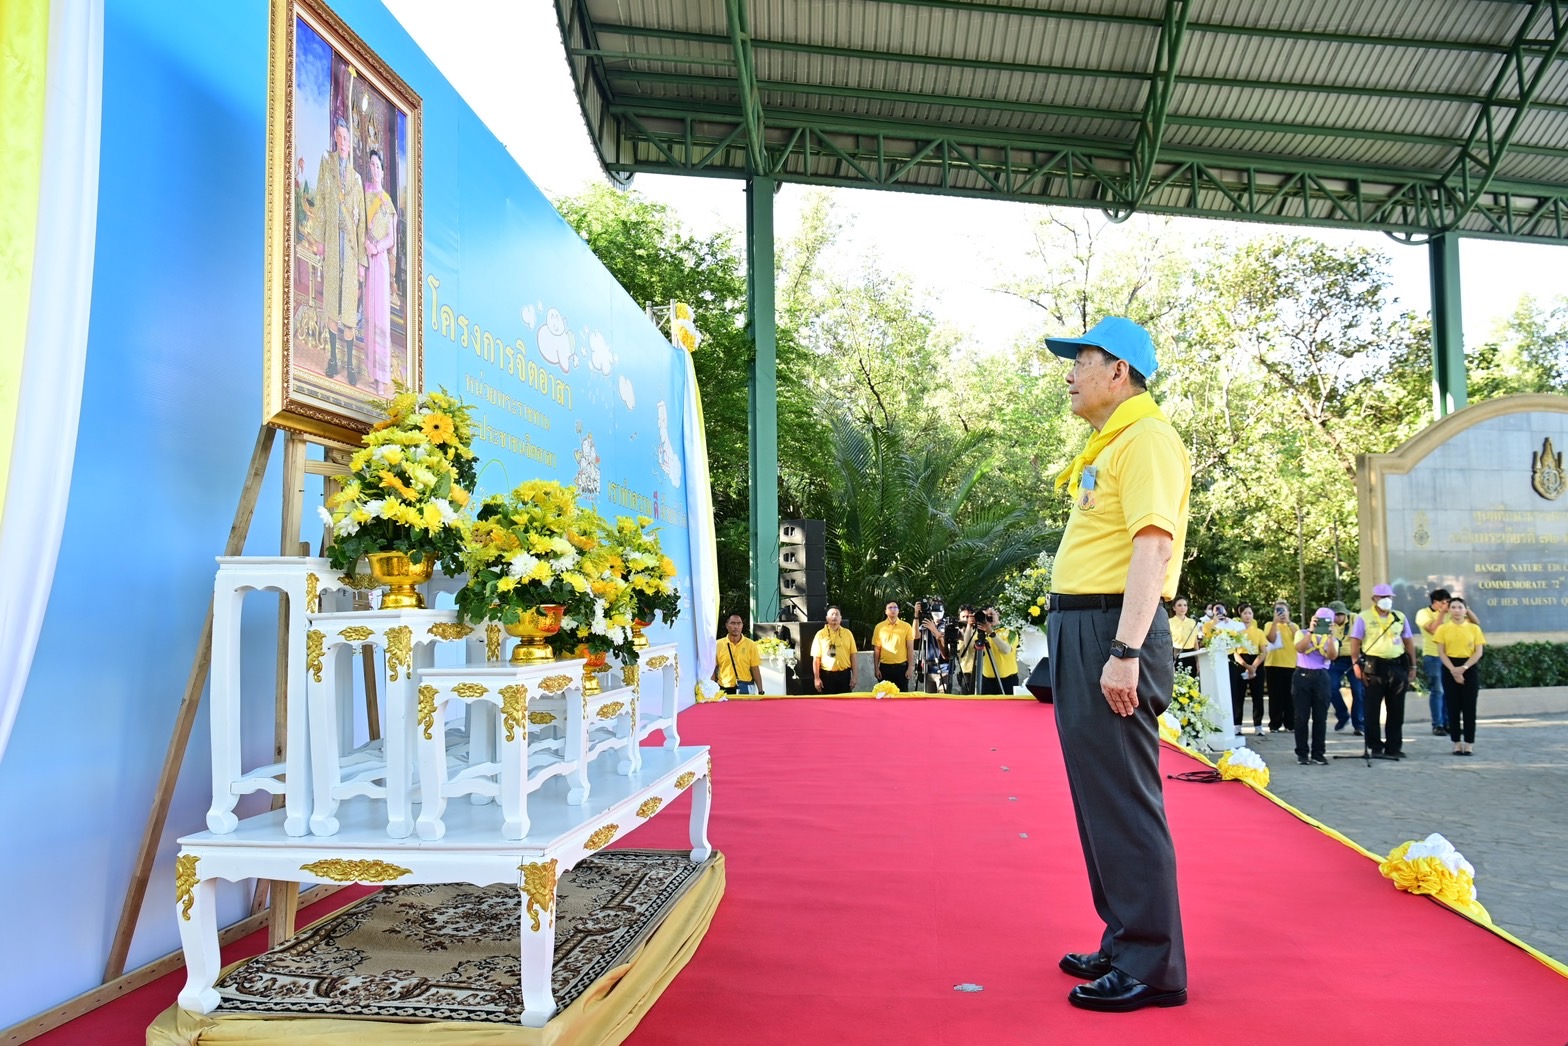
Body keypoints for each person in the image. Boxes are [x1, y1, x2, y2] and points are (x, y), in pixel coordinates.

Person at [1044, 316, 1190, 1012]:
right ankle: (1125, 937)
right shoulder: (1114, 443)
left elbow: (1153, 549)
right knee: (1098, 797)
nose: (1070, 375)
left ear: (1119, 372)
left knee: (1125, 799)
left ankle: (1153, 963)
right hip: (1086, 625)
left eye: (1081, 361)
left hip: (1113, 629)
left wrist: (1125, 651)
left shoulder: (1148, 440)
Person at [311, 115, 366, 385]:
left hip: (351, 249)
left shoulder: (356, 178)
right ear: (335, 137)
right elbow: (321, 200)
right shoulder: (327, 164)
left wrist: (361, 262)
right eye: (340, 137)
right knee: (332, 302)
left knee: (349, 311)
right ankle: (333, 358)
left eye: (347, 138)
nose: (343, 142)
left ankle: (349, 364)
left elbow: (361, 220)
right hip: (333, 242)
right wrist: (319, 238)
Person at [1345, 583, 1418, 760]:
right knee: (1372, 708)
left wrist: (1413, 665)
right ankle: (1375, 746)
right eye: (1381, 597)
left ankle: (1394, 747)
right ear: (1374, 599)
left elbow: (1408, 641)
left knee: (1396, 709)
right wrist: (1356, 665)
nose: (1386, 600)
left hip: (1397, 664)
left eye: (1388, 597)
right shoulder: (1364, 617)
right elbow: (1355, 642)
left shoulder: (1399, 616)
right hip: (1374, 665)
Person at [362, 148, 398, 395]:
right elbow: (359, 224)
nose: (375, 169)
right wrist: (366, 243)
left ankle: (382, 379)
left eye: (378, 166)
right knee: (370, 312)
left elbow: (392, 238)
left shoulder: (387, 202)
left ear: (383, 171)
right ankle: (371, 372)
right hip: (367, 258)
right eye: (372, 165)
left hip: (381, 260)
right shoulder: (364, 194)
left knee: (381, 316)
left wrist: (377, 247)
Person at [1434, 597, 1486, 756]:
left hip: (1469, 667)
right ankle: (1456, 743)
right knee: (1453, 707)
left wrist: (1463, 668)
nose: (1457, 611)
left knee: (1469, 707)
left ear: (1465, 610)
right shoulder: (1442, 629)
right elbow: (1441, 652)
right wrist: (1453, 671)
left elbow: (1478, 652)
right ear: (1448, 610)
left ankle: (1469, 743)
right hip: (1449, 667)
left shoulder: (1474, 628)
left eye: (1460, 607)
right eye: (1453, 607)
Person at [1293, 608, 1339, 765]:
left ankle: (1318, 753)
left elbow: (1332, 656)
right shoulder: (1302, 633)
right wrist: (1311, 632)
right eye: (1319, 620)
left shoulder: (1333, 639)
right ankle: (1302, 753)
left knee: (1320, 717)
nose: (1322, 624)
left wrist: (1330, 637)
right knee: (1301, 717)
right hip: (1302, 674)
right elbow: (1300, 648)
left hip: (1321, 676)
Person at [1327, 600, 1363, 733]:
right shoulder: (1327, 623)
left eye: (1339, 614)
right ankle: (1342, 716)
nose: (1336, 617)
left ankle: (1359, 724)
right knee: (1331, 687)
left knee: (1358, 691)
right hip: (1336, 659)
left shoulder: (1355, 619)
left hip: (1355, 658)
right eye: (1334, 615)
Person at [1263, 602, 1298, 734]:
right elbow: (1270, 639)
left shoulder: (1293, 626)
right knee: (1275, 696)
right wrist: (1275, 622)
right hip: (1273, 664)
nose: (1281, 613)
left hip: (1290, 664)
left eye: (1284, 611)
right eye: (1278, 611)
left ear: (1289, 612)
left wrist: (1288, 622)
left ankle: (1290, 723)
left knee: (1290, 696)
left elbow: (1299, 638)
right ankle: (1275, 724)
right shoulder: (1269, 624)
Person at [1232, 604, 1268, 735]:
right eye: (1245, 613)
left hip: (1256, 662)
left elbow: (1263, 651)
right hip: (1241, 662)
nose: (1248, 616)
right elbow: (1234, 652)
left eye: (1250, 613)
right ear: (1240, 615)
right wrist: (1246, 666)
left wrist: (1254, 667)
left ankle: (1258, 725)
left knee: (1257, 695)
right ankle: (1237, 725)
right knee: (1239, 695)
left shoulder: (1259, 632)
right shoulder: (1235, 632)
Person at [711, 613, 761, 695]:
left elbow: (755, 668)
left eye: (739, 623)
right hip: (724, 688)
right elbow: (712, 669)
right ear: (727, 626)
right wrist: (712, 690)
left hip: (745, 687)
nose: (736, 626)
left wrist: (760, 690)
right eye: (733, 623)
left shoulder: (750, 645)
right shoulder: (718, 644)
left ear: (742, 626)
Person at [811, 607, 857, 694]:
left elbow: (853, 655)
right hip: (827, 675)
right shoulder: (820, 634)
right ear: (827, 618)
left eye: (837, 614)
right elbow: (816, 658)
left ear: (840, 618)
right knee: (828, 701)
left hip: (844, 675)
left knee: (845, 701)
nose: (834, 617)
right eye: (832, 614)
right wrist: (816, 678)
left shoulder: (848, 633)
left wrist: (854, 676)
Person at [871, 601, 915, 691]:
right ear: (885, 611)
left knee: (902, 696)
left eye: (895, 607)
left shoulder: (906, 626)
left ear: (898, 611)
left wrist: (910, 668)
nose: (893, 610)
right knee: (884, 695)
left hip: (902, 668)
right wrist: (876, 668)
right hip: (885, 668)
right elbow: (877, 649)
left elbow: (910, 648)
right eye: (890, 608)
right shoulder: (879, 627)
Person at [977, 607, 1019, 694]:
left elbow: (1006, 650)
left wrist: (991, 633)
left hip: (1007, 679)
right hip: (987, 680)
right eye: (985, 616)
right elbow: (970, 648)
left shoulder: (1009, 631)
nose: (988, 618)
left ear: (998, 615)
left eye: (990, 615)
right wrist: (969, 626)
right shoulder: (980, 632)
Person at [910, 600, 945, 693]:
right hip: (928, 668)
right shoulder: (926, 624)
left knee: (942, 697)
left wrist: (934, 630)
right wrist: (916, 615)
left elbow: (944, 643)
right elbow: (915, 636)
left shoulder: (946, 624)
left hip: (943, 668)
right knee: (929, 698)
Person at [1169, 598, 1200, 667]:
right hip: (1176, 653)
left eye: (1185, 605)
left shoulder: (1192, 622)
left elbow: (1195, 643)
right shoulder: (1169, 622)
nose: (1182, 608)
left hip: (1191, 654)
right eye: (1179, 605)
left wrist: (1198, 660)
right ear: (1174, 608)